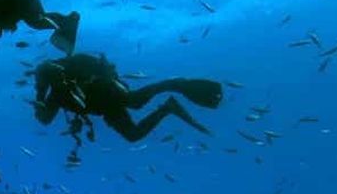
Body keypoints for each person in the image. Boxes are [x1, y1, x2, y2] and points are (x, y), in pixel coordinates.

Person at [32, 53, 224, 144]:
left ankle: (174, 83)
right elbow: (44, 119)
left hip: (108, 93)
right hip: (104, 109)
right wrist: (39, 96)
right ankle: (168, 108)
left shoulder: (77, 63)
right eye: (48, 78)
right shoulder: (55, 95)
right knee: (133, 135)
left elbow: (107, 67)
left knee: (135, 102)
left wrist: (106, 76)